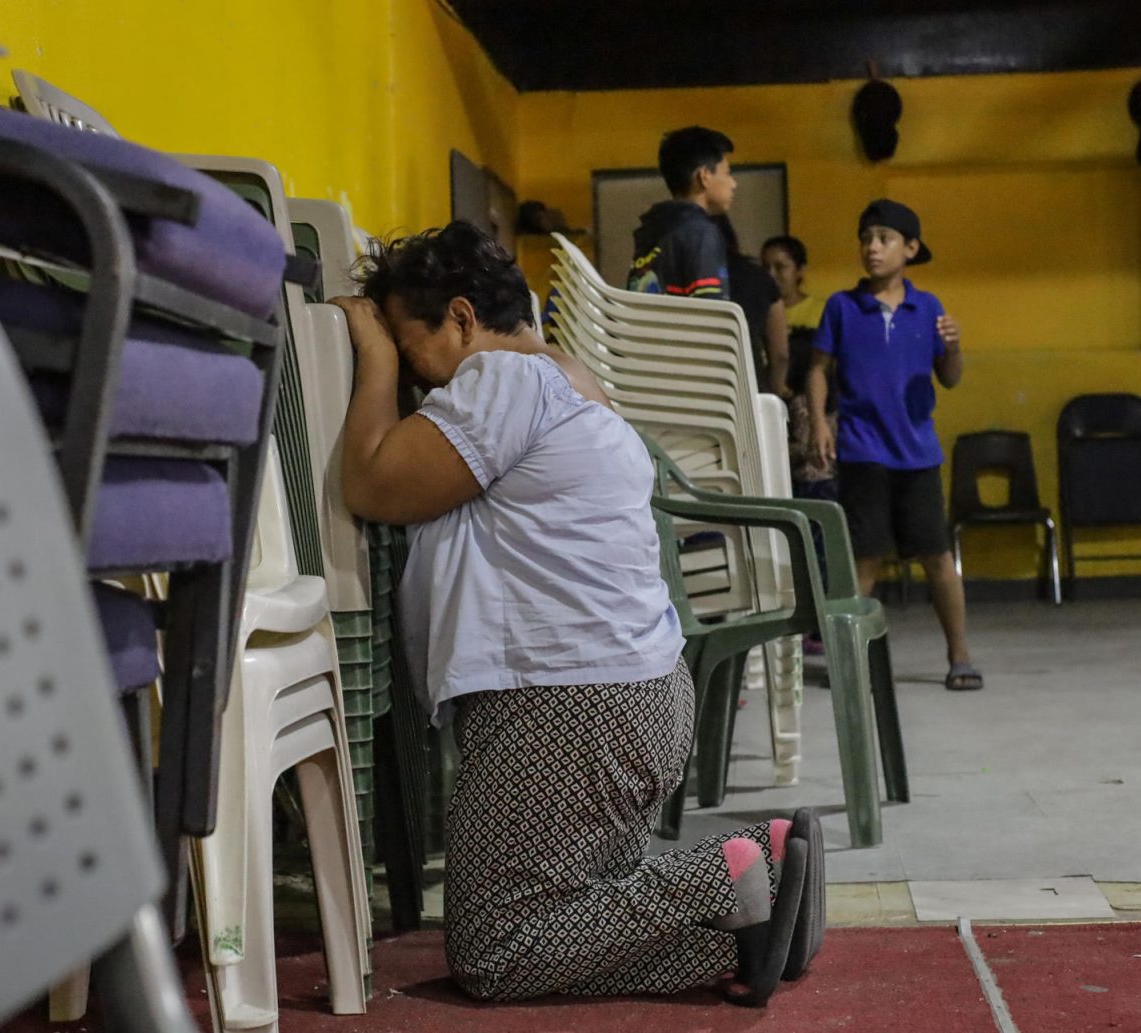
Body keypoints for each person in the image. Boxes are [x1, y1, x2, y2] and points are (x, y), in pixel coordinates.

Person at [331, 221, 819, 1006]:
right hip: (637, 697)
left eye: (410, 340)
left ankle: (735, 877)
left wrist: (375, 363)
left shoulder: (501, 382)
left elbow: (374, 486)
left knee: (499, 946)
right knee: (585, 895)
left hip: (562, 704)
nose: (421, 378)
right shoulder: (572, 377)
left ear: (461, 317)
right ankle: (749, 898)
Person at [808, 200, 982, 691]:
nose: (872, 247)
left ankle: (960, 655)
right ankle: (852, 665)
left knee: (937, 558)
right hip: (863, 451)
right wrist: (821, 422)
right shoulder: (842, 307)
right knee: (864, 559)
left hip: (918, 455)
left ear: (910, 248)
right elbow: (818, 368)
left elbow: (949, 379)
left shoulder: (928, 308)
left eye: (884, 238)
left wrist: (953, 347)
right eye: (866, 238)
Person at [763, 234, 834, 653]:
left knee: (816, 511)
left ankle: (821, 617)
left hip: (812, 419)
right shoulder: (759, 312)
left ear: (800, 271)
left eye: (781, 267)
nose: (773, 276)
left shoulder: (820, 312)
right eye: (766, 267)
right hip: (772, 418)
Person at [628, 126, 735, 299]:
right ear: (704, 176)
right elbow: (711, 313)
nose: (733, 184)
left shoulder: (650, 231)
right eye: (728, 173)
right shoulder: (700, 232)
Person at [714, 214, 788, 396]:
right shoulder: (759, 278)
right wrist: (774, 390)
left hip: (702, 383)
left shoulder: (686, 275)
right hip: (749, 383)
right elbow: (780, 354)